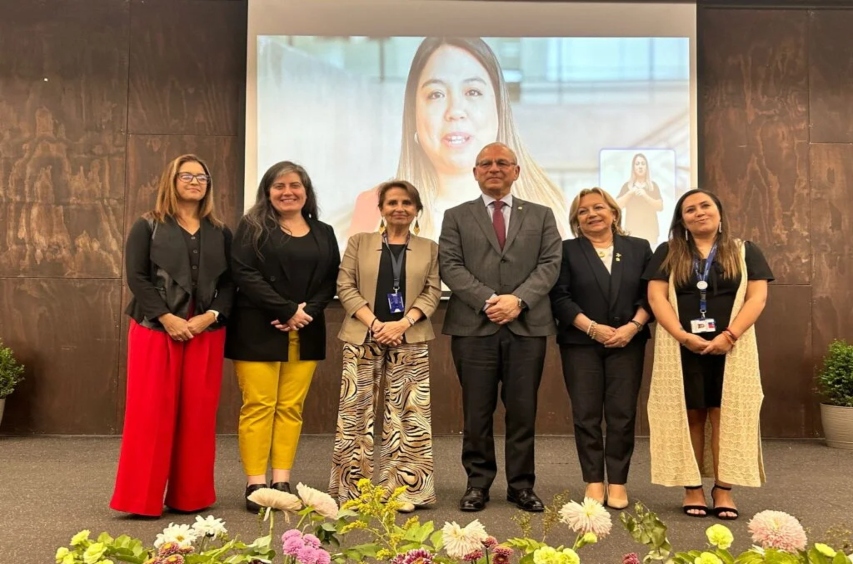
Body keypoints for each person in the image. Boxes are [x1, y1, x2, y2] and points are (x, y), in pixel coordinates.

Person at [439, 142, 562, 513]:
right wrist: (491, 300)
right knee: (476, 412)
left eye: (502, 163)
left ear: (516, 171)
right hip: (473, 327)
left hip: (528, 326)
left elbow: (551, 263)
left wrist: (518, 300)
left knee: (522, 411)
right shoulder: (456, 215)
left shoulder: (541, 215)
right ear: (475, 172)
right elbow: (450, 264)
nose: (494, 168)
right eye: (486, 163)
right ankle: (477, 484)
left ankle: (521, 486)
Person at [348, 37, 569, 240]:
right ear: (414, 114)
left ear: (499, 108)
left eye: (472, 92)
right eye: (436, 94)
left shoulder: (550, 208)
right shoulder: (372, 208)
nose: (455, 111)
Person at [111, 154, 233, 517]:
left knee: (197, 416)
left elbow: (230, 284)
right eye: (187, 176)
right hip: (154, 330)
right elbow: (137, 277)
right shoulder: (146, 225)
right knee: (150, 415)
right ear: (172, 180)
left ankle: (190, 497)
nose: (195, 182)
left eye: (202, 176)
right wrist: (166, 317)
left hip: (205, 333)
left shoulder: (221, 232)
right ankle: (140, 500)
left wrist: (209, 316)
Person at [643, 188, 773, 520]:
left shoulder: (745, 251)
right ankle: (692, 487)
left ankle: (723, 489)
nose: (699, 212)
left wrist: (730, 335)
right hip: (682, 348)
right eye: (690, 209)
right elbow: (656, 298)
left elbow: (756, 297)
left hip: (733, 349)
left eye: (705, 206)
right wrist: (683, 336)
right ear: (681, 220)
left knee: (725, 415)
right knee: (692, 414)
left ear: (719, 213)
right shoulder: (668, 251)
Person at [226, 161, 340, 512]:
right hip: (257, 328)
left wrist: (303, 314)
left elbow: (329, 280)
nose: (288, 192)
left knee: (291, 408)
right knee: (259, 406)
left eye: (295, 185)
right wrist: (285, 310)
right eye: (279, 186)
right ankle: (256, 483)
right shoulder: (252, 227)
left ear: (306, 192)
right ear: (268, 192)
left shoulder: (324, 231)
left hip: (305, 331)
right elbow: (244, 274)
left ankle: (281, 478)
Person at [330, 180, 441, 512]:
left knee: (410, 415)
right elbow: (344, 285)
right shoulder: (358, 242)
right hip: (364, 335)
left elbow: (433, 291)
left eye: (407, 203)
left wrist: (402, 324)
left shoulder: (429, 247)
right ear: (381, 209)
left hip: (410, 336)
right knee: (355, 414)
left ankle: (405, 491)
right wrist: (376, 324)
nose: (399, 208)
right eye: (392, 202)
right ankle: (353, 491)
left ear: (417, 210)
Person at [549, 187, 653, 509]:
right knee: (586, 414)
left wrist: (632, 327)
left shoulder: (639, 248)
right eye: (583, 211)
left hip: (627, 342)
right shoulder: (566, 250)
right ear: (576, 220)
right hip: (581, 343)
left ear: (613, 212)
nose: (592, 214)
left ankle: (618, 482)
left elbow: (651, 294)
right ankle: (594, 481)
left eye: (598, 207)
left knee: (622, 414)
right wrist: (592, 328)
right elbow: (559, 297)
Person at [615, 153, 664, 246]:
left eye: (643, 164)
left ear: (646, 167)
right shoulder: (627, 186)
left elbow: (660, 206)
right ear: (633, 168)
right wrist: (630, 192)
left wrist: (645, 196)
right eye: (637, 164)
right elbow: (617, 205)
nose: (640, 167)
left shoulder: (653, 186)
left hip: (650, 231)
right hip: (632, 231)